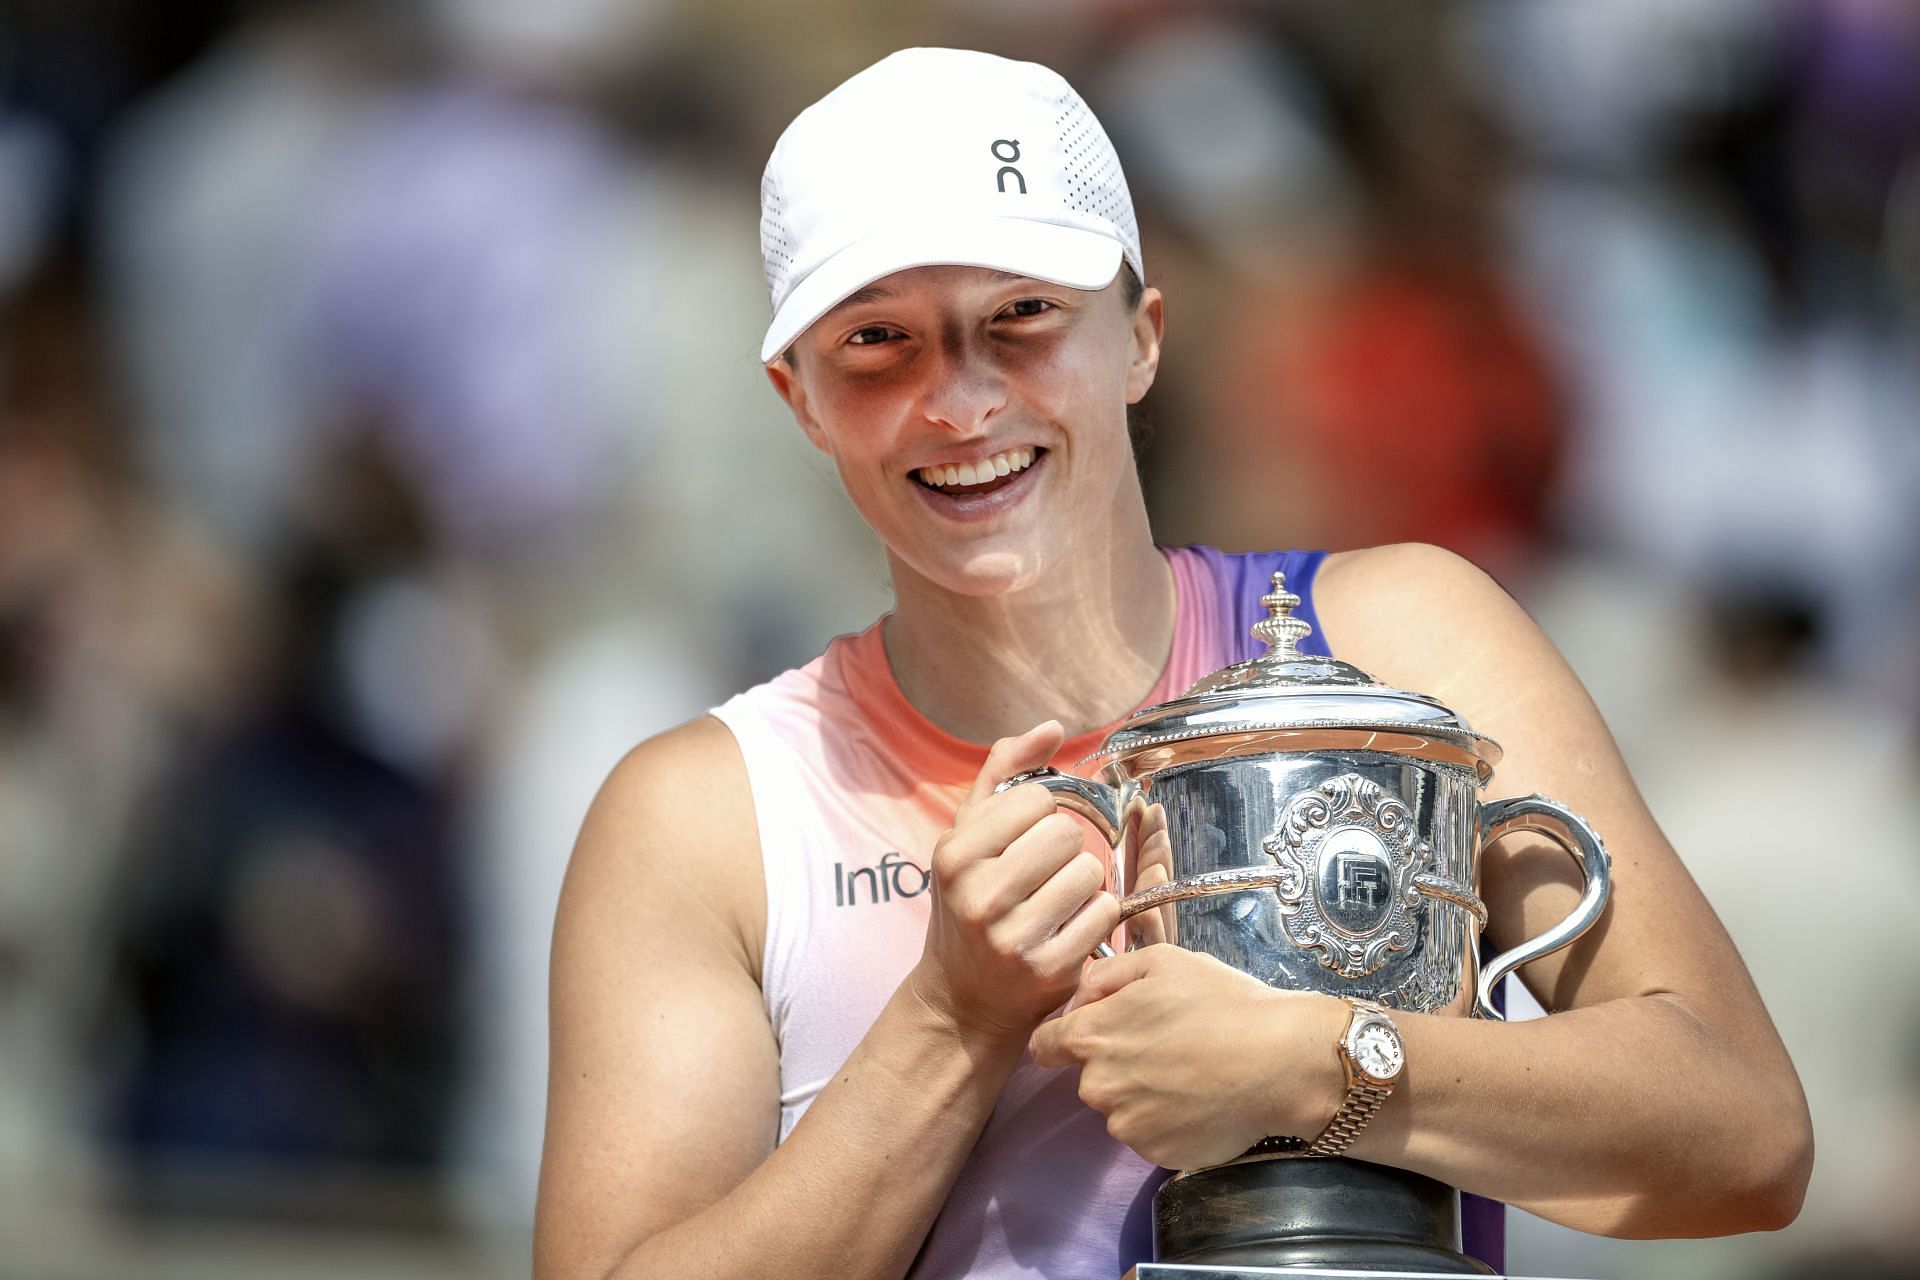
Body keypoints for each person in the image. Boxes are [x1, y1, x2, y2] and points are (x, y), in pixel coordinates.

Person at [532, 48, 1813, 1280]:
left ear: (1141, 337)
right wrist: (952, 1020)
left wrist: (1320, 1062)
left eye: (1022, 318)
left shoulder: (1406, 640)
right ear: (798, 397)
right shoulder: (703, 816)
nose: (962, 401)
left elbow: (1745, 1135)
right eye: (880, 344)